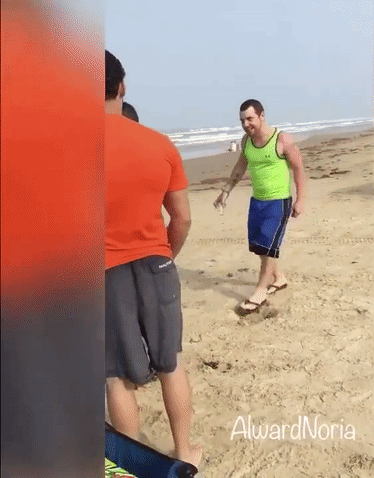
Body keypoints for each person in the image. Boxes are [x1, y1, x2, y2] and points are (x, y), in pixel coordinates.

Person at [104, 50, 202, 467]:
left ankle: (129, 466)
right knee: (170, 363)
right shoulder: (159, 144)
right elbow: (182, 218)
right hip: (156, 262)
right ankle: (184, 451)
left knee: (115, 375)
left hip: (103, 271)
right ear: (121, 87)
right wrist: (165, 255)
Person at [214, 99, 306, 315]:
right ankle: (278, 278)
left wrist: (300, 199)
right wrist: (225, 191)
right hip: (257, 201)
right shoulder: (246, 142)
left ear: (262, 116)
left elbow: (299, 168)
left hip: (278, 201)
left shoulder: (281, 139)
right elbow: (240, 168)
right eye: (242, 121)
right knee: (259, 246)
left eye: (250, 119)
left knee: (267, 246)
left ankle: (260, 292)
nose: (246, 124)